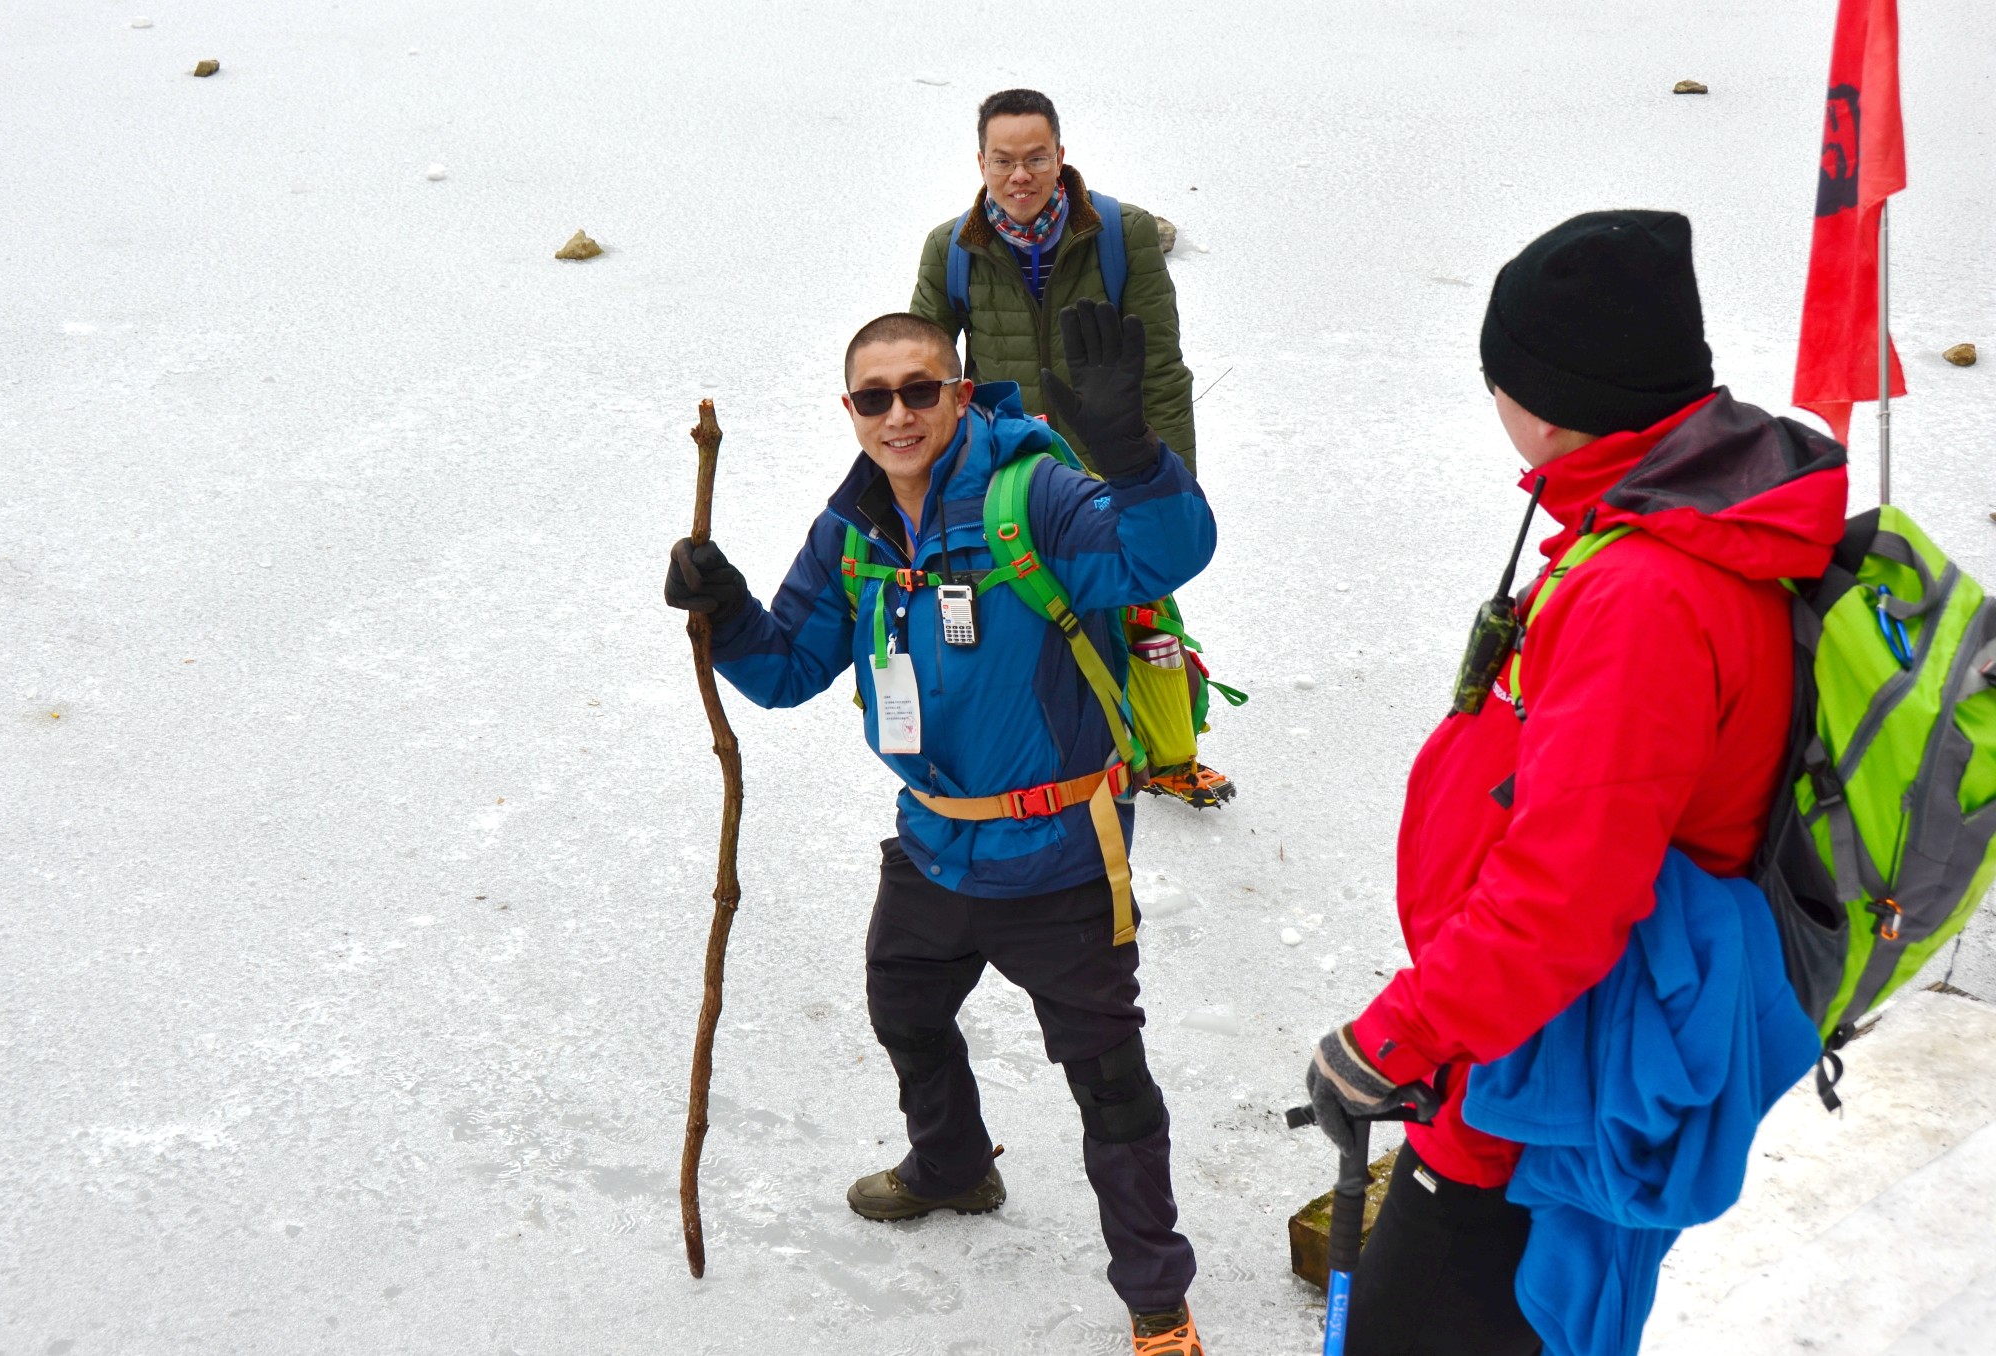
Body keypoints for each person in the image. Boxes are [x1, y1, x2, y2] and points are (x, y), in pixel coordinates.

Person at [1299, 211, 1848, 1355]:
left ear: (1549, 397)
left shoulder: (1643, 592)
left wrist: (1388, 1042)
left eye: (1497, 375)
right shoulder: (1660, 527)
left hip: (1545, 1080)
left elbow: (1562, 900)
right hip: (1531, 1040)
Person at [665, 302, 1215, 1356]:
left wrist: (1135, 457)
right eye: (875, 398)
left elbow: (1161, 559)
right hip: (931, 845)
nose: (899, 414)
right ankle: (953, 1166)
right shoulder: (855, 532)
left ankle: (1156, 1293)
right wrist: (723, 607)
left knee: (1107, 1082)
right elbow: (784, 671)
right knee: (905, 1009)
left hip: (1059, 854)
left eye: (921, 389)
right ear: (850, 411)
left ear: (959, 392)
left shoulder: (1032, 495)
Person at [911, 87, 1231, 811]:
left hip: (1110, 458)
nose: (1019, 176)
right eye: (1003, 160)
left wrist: (1166, 481)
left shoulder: (1122, 235)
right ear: (981, 162)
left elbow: (1162, 370)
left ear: (1060, 155)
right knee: (1026, 618)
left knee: (1146, 611)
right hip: (1009, 477)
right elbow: (927, 372)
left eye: (1034, 158)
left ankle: (1171, 751)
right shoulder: (951, 249)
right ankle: (1055, 753)